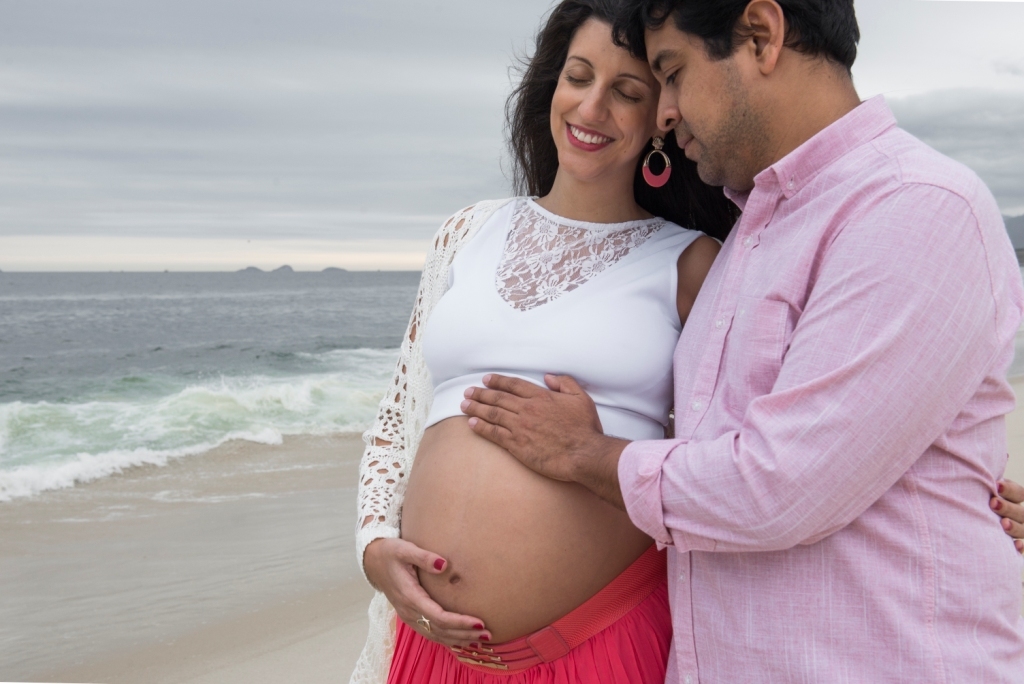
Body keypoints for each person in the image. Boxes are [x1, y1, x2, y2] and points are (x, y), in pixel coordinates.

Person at [460, 0, 1024, 681]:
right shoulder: (752, 235)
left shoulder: (913, 206)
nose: (665, 113)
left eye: (672, 72)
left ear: (761, 35)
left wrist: (589, 454)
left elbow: (782, 486)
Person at [350, 2, 738, 682]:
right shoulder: (467, 232)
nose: (591, 108)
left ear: (662, 115)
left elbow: (724, 459)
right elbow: (398, 412)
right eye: (578, 77)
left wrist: (597, 449)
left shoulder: (691, 264)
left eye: (627, 92)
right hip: (429, 651)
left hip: (599, 644)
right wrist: (373, 542)